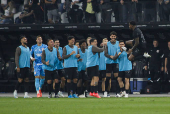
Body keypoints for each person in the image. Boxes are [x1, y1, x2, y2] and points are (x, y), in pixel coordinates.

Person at [105, 31, 119, 97]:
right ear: (110, 37)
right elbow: (105, 53)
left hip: (116, 62)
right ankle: (106, 92)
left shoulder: (118, 43)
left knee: (117, 77)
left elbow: (119, 51)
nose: (113, 37)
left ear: (115, 37)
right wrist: (111, 56)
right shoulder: (107, 44)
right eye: (112, 36)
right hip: (108, 62)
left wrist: (115, 56)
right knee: (108, 77)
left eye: (114, 36)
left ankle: (117, 92)